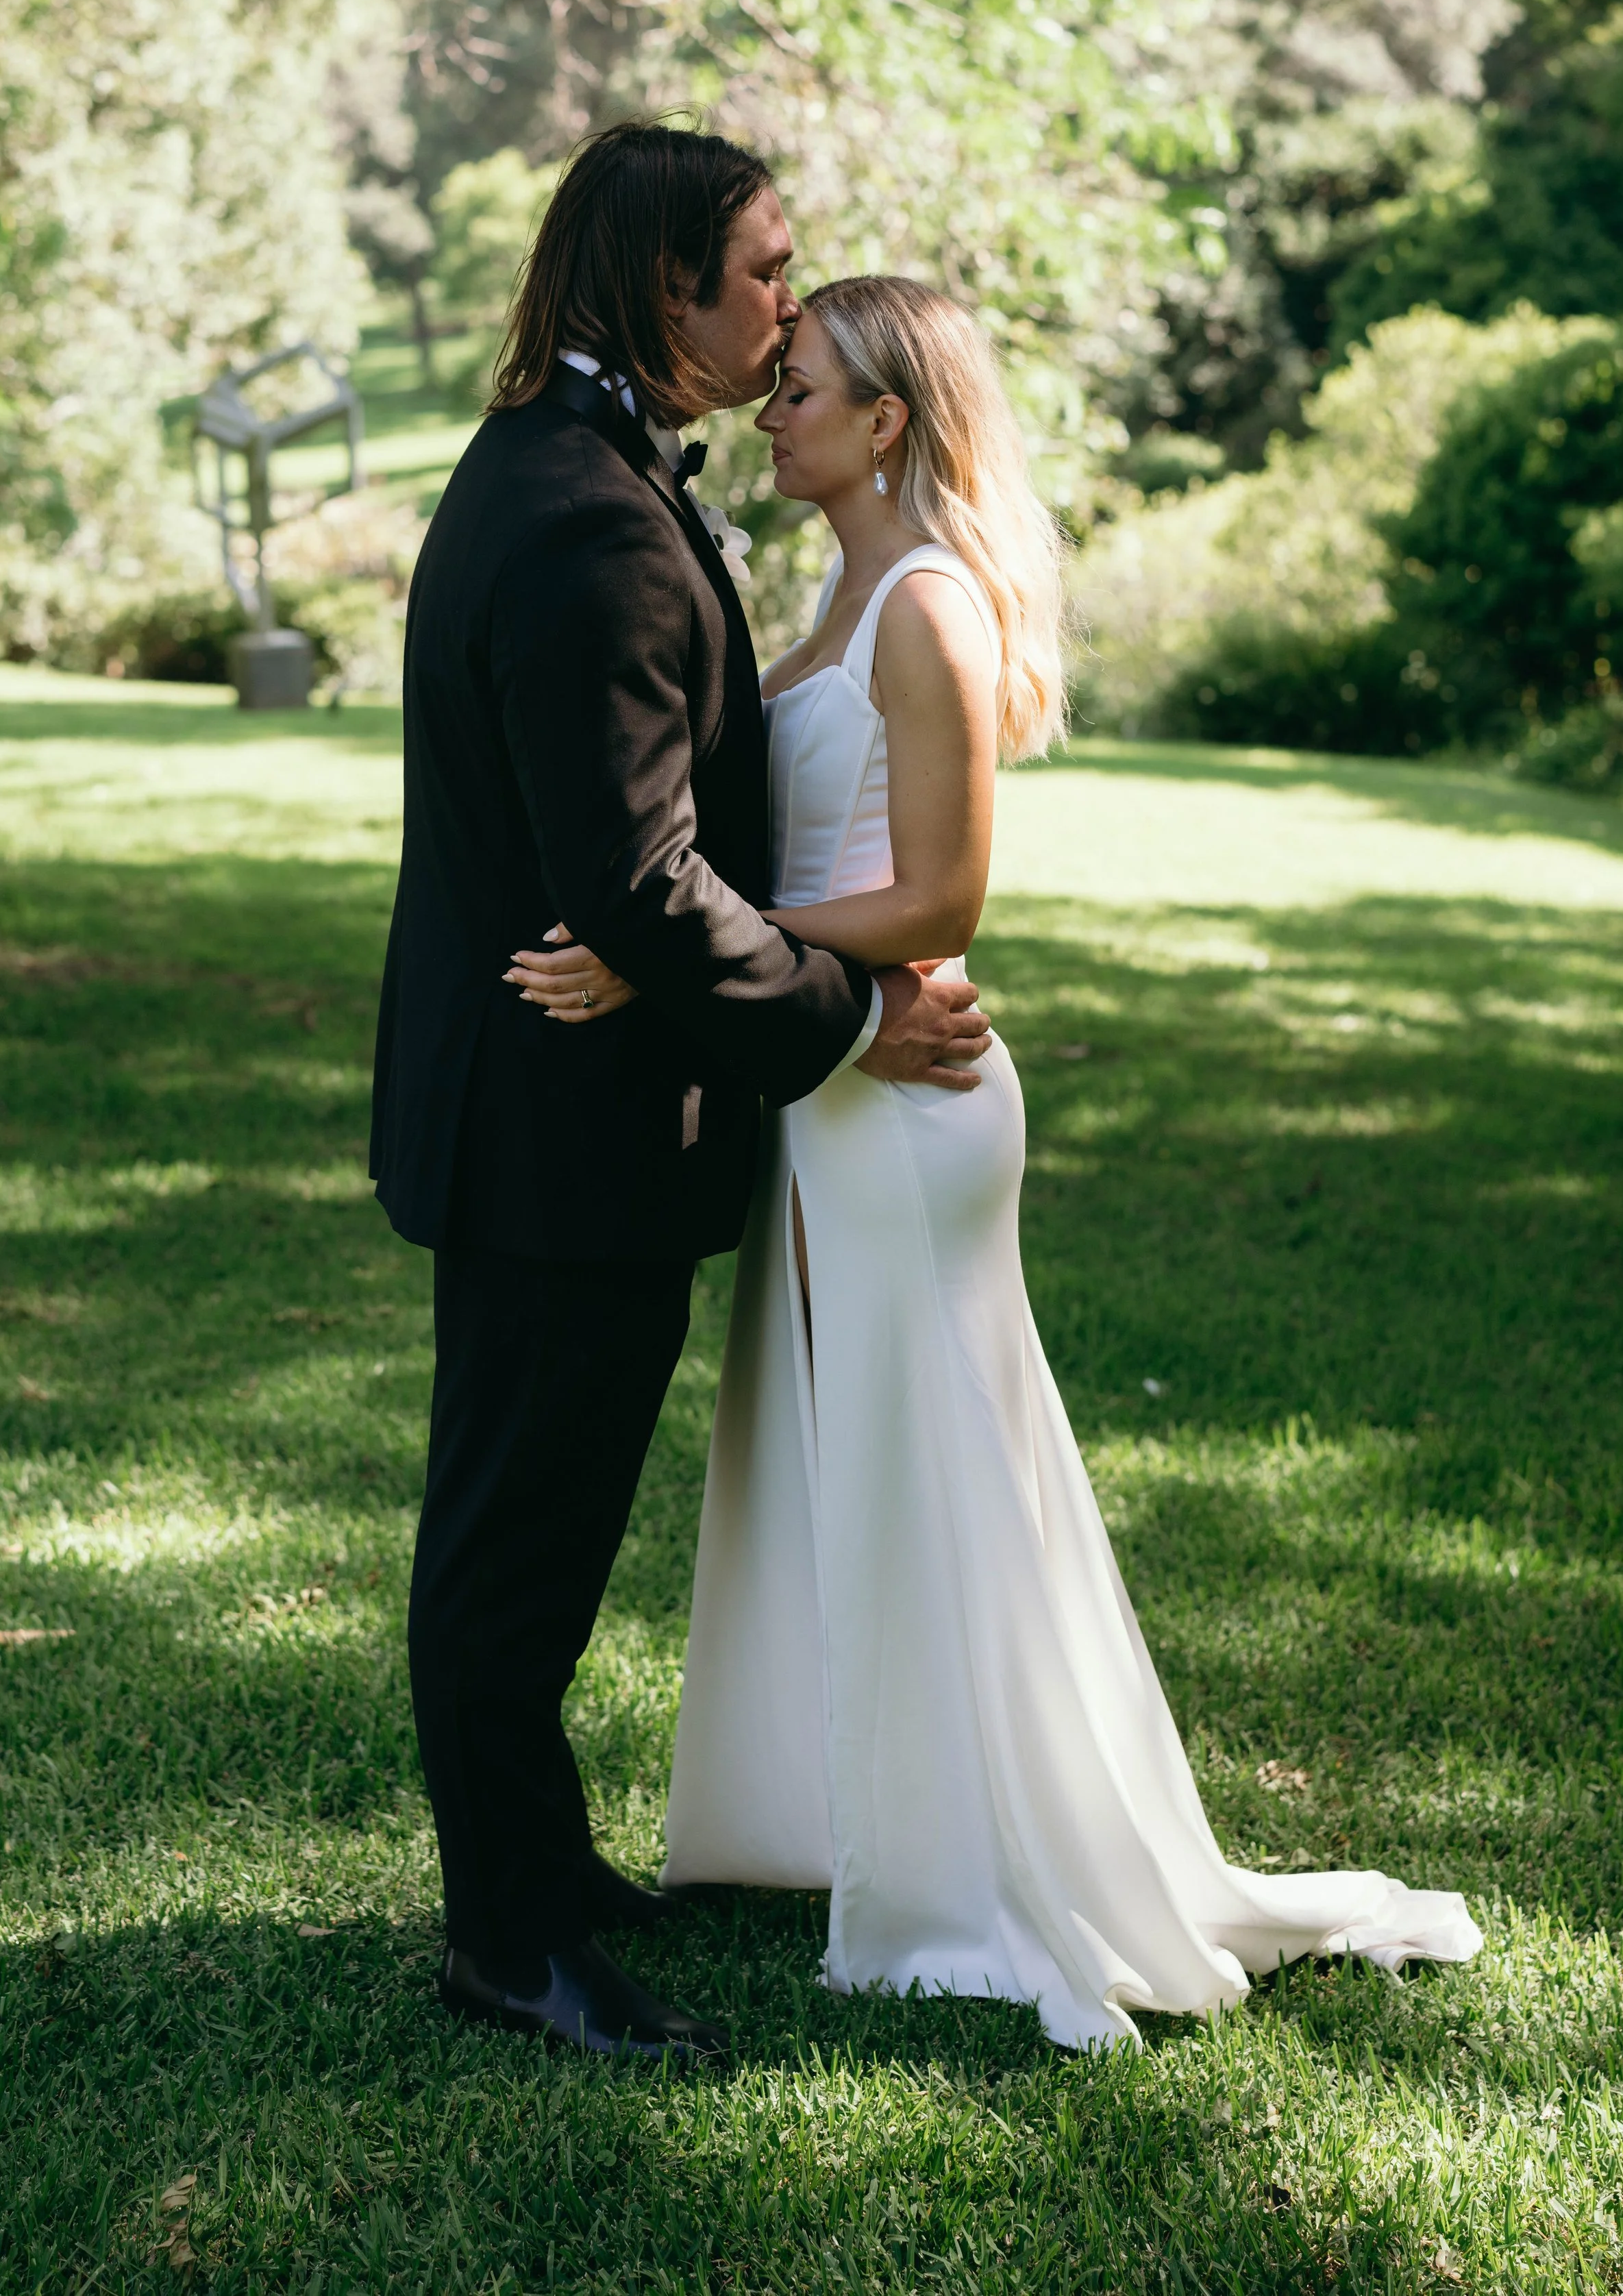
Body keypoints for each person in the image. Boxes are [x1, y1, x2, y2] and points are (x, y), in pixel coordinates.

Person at [549, 275, 1483, 2052]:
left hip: (909, 1103)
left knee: (929, 1458)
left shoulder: (928, 608)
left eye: (804, 386)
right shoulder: (832, 590)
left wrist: (679, 953)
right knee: (850, 1453)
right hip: (832, 1071)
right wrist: (760, 980)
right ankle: (855, 1815)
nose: (774, 407)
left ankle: (978, 1861)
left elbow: (944, 898)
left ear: (885, 419)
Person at [369, 129, 992, 2067]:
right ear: (659, 288)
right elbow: (636, 882)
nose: (780, 306)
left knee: (533, 1536)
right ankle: (507, 1942)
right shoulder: (588, 520)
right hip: (563, 1132)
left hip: (564, 1114)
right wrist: (844, 1011)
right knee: (511, 1552)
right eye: (756, 273)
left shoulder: (580, 473)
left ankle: (540, 1872)